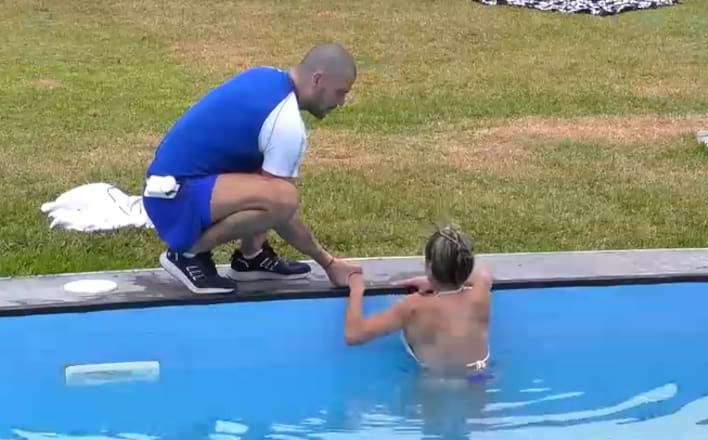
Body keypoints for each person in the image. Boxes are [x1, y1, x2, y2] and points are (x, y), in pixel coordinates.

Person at [142, 42, 362, 295]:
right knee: (283, 198)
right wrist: (328, 263)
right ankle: (187, 254)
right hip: (174, 199)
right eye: (340, 92)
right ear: (317, 79)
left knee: (268, 186)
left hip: (168, 187)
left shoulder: (267, 75)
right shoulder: (285, 121)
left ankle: (251, 257)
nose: (342, 102)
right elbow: (282, 211)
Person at [343, 225, 493, 375]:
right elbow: (484, 275)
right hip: (479, 379)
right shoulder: (480, 296)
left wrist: (356, 289)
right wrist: (439, 279)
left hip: (435, 384)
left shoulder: (413, 307)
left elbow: (354, 334)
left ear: (429, 266)